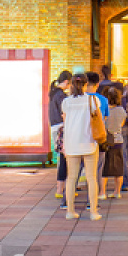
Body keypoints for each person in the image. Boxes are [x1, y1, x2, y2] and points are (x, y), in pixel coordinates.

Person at [60, 76, 103, 221]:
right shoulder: (92, 100)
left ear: (72, 85)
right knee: (92, 178)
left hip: (71, 144)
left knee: (71, 178)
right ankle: (93, 212)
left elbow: (65, 122)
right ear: (85, 85)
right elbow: (99, 119)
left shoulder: (66, 102)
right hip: (89, 142)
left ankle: (70, 211)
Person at [100, 85, 128, 199]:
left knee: (103, 168)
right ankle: (117, 192)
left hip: (105, 141)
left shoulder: (104, 110)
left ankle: (102, 192)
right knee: (118, 168)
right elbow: (121, 124)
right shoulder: (121, 110)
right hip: (118, 141)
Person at [48, 70, 72, 200]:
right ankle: (63, 189)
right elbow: (65, 112)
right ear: (67, 82)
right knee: (64, 159)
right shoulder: (61, 95)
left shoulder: (53, 93)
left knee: (61, 158)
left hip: (54, 127)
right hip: (61, 127)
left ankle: (61, 188)